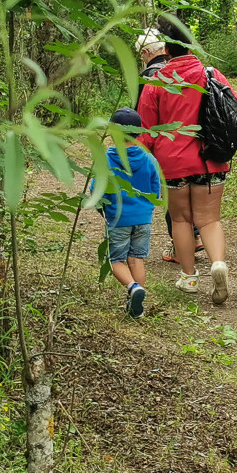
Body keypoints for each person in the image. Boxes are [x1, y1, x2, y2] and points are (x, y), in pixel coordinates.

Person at [136, 17, 237, 305]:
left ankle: (189, 277)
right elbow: (236, 108)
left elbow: (146, 131)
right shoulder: (211, 74)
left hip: (173, 163)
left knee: (181, 219)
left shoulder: (156, 81)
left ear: (166, 48)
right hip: (211, 159)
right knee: (209, 219)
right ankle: (218, 264)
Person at [135, 26, 201, 262]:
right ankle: (196, 237)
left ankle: (183, 246)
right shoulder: (188, 70)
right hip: (197, 145)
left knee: (173, 204)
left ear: (145, 53)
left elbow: (142, 118)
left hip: (167, 147)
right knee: (196, 201)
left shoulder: (150, 77)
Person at [92, 108, 162, 319]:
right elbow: (156, 189)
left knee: (116, 260)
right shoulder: (149, 159)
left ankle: (132, 287)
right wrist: (147, 207)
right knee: (136, 258)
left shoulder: (105, 159)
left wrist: (103, 209)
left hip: (118, 218)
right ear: (139, 132)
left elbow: (96, 190)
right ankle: (135, 306)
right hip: (143, 219)